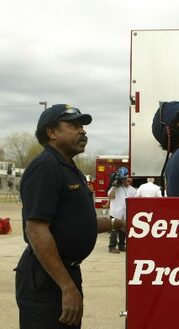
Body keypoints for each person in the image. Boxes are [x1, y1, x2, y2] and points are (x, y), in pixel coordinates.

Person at [15, 104, 125, 329]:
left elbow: (74, 224)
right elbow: (36, 230)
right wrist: (66, 287)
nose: (82, 131)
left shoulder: (69, 168)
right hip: (47, 279)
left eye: (82, 126)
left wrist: (117, 223)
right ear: (52, 132)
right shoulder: (45, 167)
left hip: (65, 272)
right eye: (73, 125)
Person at [107, 173, 136, 253]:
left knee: (123, 230)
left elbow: (135, 202)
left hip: (125, 213)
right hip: (115, 212)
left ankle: (121, 246)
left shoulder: (133, 190)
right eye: (126, 179)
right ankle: (112, 247)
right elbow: (110, 196)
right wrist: (114, 186)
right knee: (114, 230)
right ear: (122, 180)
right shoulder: (116, 188)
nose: (128, 180)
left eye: (129, 179)